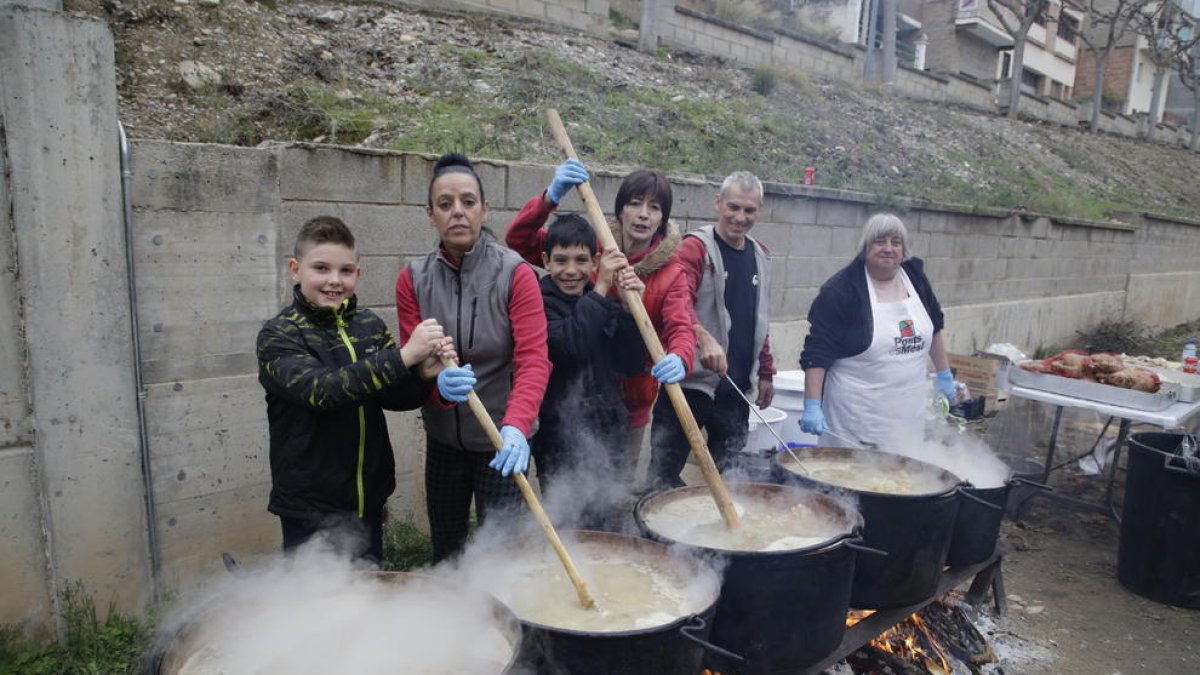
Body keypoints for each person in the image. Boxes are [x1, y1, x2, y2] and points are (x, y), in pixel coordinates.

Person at [257, 215, 453, 564]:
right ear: (295, 269)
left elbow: (393, 396)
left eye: (346, 271)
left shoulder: (369, 326)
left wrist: (424, 374)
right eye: (321, 268)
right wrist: (405, 354)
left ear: (358, 274)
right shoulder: (279, 335)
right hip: (310, 508)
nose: (335, 280)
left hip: (368, 500)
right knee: (316, 605)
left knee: (366, 598)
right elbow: (324, 393)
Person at [395, 153, 551, 563]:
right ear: (430, 214)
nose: (457, 212)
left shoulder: (515, 274)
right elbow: (414, 366)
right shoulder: (413, 278)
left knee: (498, 555)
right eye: (445, 204)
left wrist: (517, 427)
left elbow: (534, 360)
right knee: (446, 547)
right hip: (445, 438)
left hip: (502, 442)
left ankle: (500, 622)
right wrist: (436, 386)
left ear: (485, 208)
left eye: (468, 201)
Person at [505, 159, 697, 479]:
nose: (643, 214)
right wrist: (550, 197)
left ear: (663, 219)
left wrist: (680, 356)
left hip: (628, 404)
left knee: (613, 493)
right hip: (568, 406)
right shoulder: (591, 249)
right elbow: (520, 240)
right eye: (635, 204)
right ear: (621, 210)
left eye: (654, 207)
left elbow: (681, 325)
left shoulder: (672, 272)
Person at [646, 171, 777, 490]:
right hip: (691, 382)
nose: (740, 217)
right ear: (718, 203)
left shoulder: (761, 254)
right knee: (663, 475)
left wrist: (766, 372)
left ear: (759, 211)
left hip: (736, 386)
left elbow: (758, 318)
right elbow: (675, 305)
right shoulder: (695, 248)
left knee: (730, 476)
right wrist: (703, 338)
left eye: (749, 210)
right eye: (733, 207)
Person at [799, 213, 955, 448]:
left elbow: (935, 327)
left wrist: (944, 375)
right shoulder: (841, 291)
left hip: (907, 413)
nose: (888, 249)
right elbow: (817, 353)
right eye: (880, 242)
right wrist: (812, 404)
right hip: (857, 420)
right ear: (865, 247)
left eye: (896, 242)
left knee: (903, 477)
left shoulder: (915, 277)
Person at [534, 214, 648, 528]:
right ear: (545, 260)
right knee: (568, 522)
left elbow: (632, 363)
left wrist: (629, 309)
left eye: (581, 260)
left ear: (595, 260)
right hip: (559, 438)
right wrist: (600, 287)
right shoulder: (538, 303)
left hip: (608, 430)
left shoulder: (600, 301)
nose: (571, 271)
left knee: (608, 516)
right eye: (561, 260)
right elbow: (573, 344)